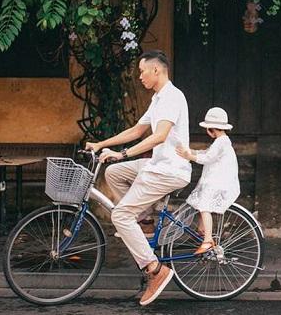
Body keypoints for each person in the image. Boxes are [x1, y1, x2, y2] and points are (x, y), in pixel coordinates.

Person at [84, 50, 190, 306]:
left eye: (142, 71)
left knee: (120, 215)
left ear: (156, 70)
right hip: (156, 165)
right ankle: (145, 222)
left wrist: (123, 154)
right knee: (114, 172)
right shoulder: (158, 99)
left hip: (170, 170)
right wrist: (101, 144)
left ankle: (155, 270)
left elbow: (159, 135)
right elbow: (138, 130)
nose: (139, 76)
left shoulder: (172, 97)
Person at [176, 107, 240, 255]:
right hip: (215, 179)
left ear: (211, 129)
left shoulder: (221, 142)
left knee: (204, 206)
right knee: (201, 203)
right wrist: (190, 151)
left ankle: (208, 239)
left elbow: (207, 158)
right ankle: (203, 228)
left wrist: (189, 156)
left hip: (218, 181)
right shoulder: (222, 140)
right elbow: (207, 153)